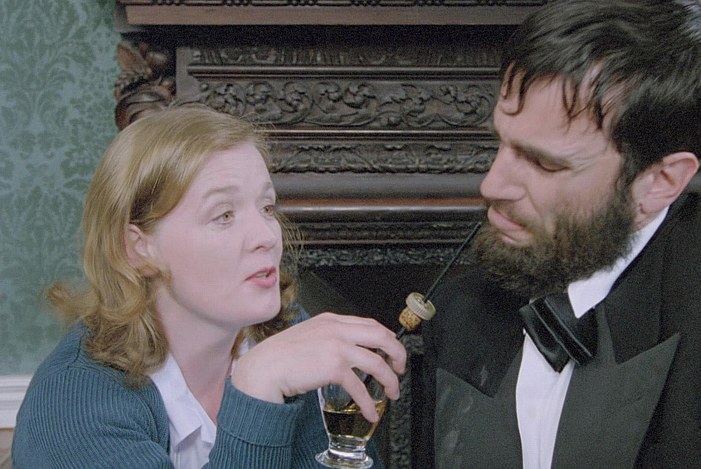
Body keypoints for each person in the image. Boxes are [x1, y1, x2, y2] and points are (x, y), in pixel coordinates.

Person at [417, 1, 701, 468]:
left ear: (660, 182)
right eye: (501, 142)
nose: (492, 186)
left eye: (544, 163)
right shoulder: (461, 305)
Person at [12, 105, 407, 468]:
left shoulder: (287, 336)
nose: (266, 237)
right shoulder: (70, 409)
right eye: (224, 215)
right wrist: (256, 392)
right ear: (139, 248)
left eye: (266, 207)